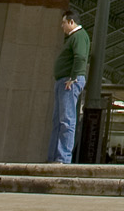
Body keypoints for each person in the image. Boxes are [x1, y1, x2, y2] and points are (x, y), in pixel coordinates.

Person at [51, 9, 91, 164]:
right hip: (63, 80)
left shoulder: (79, 37)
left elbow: (80, 57)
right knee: (59, 120)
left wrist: (73, 78)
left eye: (63, 22)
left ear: (71, 22)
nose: (62, 26)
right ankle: (55, 156)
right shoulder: (75, 37)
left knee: (66, 120)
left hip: (69, 81)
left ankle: (63, 158)